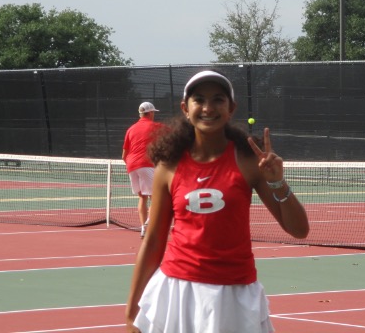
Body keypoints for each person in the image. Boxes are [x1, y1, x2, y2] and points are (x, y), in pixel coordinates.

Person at [125, 70, 309, 333]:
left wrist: (278, 182)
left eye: (218, 100)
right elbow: (153, 240)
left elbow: (299, 230)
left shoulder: (250, 161)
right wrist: (132, 310)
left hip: (235, 294)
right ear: (185, 108)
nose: (208, 108)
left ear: (231, 108)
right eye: (199, 100)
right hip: (178, 291)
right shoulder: (169, 165)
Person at [123, 101, 162, 238]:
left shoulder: (131, 129)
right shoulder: (156, 127)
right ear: (150, 113)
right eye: (153, 113)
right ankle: (148, 223)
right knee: (156, 197)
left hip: (131, 165)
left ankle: (143, 228)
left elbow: (124, 155)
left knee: (142, 196)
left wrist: (132, 165)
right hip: (146, 164)